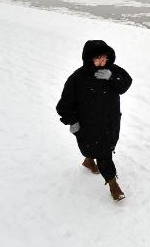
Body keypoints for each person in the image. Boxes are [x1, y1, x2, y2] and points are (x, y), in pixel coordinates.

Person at [56, 40, 132, 201]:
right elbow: (64, 105)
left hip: (111, 121)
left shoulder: (112, 70)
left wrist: (113, 77)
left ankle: (89, 161)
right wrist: (72, 121)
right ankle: (113, 185)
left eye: (104, 58)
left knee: (105, 146)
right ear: (88, 59)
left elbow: (125, 84)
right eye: (97, 59)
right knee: (104, 154)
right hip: (88, 124)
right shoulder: (77, 78)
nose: (102, 63)